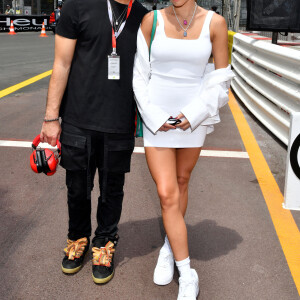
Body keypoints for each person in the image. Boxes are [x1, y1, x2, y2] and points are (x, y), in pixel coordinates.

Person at [39, 0, 147, 284]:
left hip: (120, 121)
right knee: (77, 189)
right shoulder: (78, 6)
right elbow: (61, 63)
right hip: (77, 118)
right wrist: (51, 118)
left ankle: (104, 243)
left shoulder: (144, 17)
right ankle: (77, 238)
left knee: (112, 191)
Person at [133, 0, 234, 299]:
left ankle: (169, 247)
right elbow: (139, 76)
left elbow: (220, 81)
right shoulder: (151, 21)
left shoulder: (216, 23)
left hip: (194, 118)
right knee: (166, 193)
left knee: (180, 183)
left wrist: (191, 115)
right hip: (157, 120)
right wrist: (155, 117)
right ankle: (188, 272)